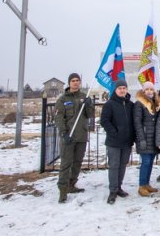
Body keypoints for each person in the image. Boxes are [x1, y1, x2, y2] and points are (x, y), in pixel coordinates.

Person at [54, 73, 95, 203]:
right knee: (66, 164)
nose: (76, 83)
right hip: (68, 136)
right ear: (69, 83)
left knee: (77, 162)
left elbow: (90, 115)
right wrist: (63, 133)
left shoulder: (84, 97)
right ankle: (63, 190)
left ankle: (72, 184)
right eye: (73, 81)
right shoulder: (63, 99)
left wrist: (89, 104)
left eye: (78, 80)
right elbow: (59, 118)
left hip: (81, 136)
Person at [100, 79, 136, 204]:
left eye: (124, 88)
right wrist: (114, 132)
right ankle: (113, 190)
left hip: (127, 142)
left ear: (126, 90)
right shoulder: (110, 104)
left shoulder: (130, 105)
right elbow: (104, 121)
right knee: (114, 166)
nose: (122, 90)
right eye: (120, 88)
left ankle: (119, 187)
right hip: (114, 142)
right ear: (115, 90)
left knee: (122, 165)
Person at [133, 81, 160, 197]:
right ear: (143, 91)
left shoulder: (156, 103)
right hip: (145, 137)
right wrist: (141, 138)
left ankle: (146, 184)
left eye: (151, 89)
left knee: (150, 162)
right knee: (145, 162)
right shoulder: (139, 104)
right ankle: (141, 185)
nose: (149, 91)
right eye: (147, 89)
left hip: (153, 138)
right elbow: (137, 122)